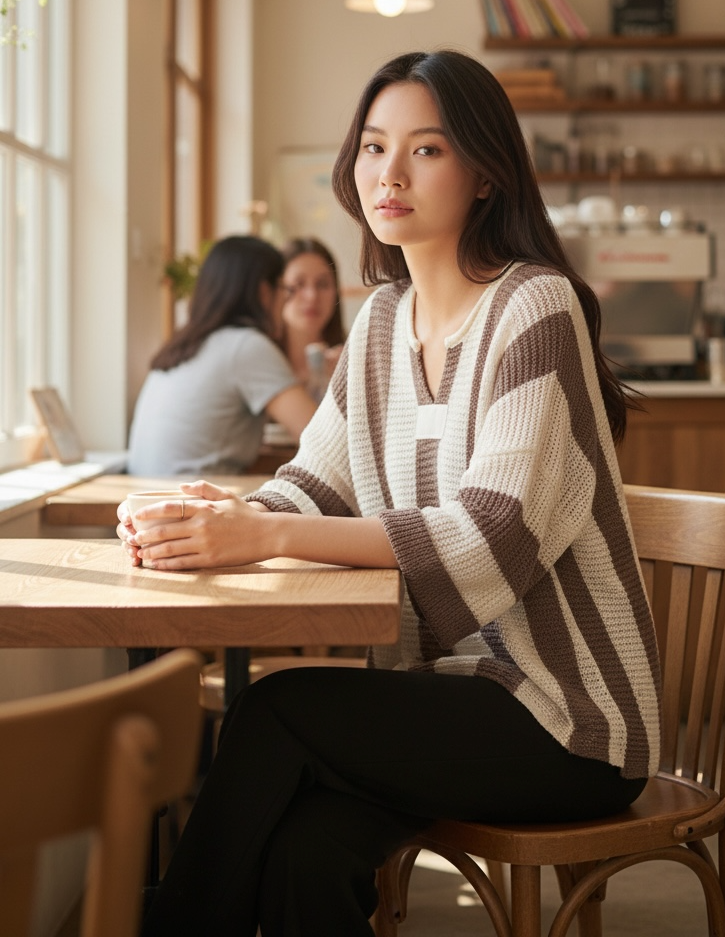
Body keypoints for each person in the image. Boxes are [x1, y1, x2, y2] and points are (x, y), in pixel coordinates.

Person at [119, 50, 662, 937]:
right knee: (305, 850)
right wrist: (229, 515)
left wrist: (265, 539)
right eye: (374, 147)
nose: (390, 174)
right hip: (445, 693)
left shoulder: (535, 306)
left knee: (275, 709)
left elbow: (495, 531)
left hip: (570, 719)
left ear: (485, 173)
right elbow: (316, 483)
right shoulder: (378, 322)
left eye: (427, 150)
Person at [126, 235, 317, 477]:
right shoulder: (246, 346)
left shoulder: (184, 344)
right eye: (284, 289)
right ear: (264, 291)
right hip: (192, 495)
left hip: (144, 492)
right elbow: (320, 438)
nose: (286, 300)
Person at [277, 236, 345, 400]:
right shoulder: (260, 360)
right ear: (277, 290)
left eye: (322, 284)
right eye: (299, 284)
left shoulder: (351, 358)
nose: (312, 296)